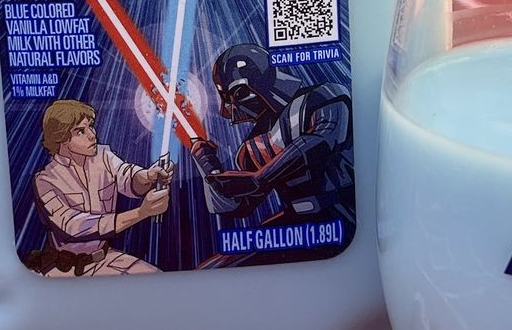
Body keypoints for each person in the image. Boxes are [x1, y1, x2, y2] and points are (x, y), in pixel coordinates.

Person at [190, 44, 351, 220]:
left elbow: (322, 140)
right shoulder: (254, 144)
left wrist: (260, 178)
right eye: (229, 97)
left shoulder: (322, 96)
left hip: (345, 210)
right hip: (298, 220)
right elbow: (239, 208)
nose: (234, 106)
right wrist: (210, 168)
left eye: (239, 93)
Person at [28, 99, 174, 276]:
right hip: (63, 270)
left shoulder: (103, 156)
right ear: (61, 138)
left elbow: (127, 176)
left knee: (156, 279)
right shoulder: (45, 179)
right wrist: (141, 213)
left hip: (104, 259)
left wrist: (148, 176)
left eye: (90, 126)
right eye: (80, 131)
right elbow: (72, 227)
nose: (92, 135)